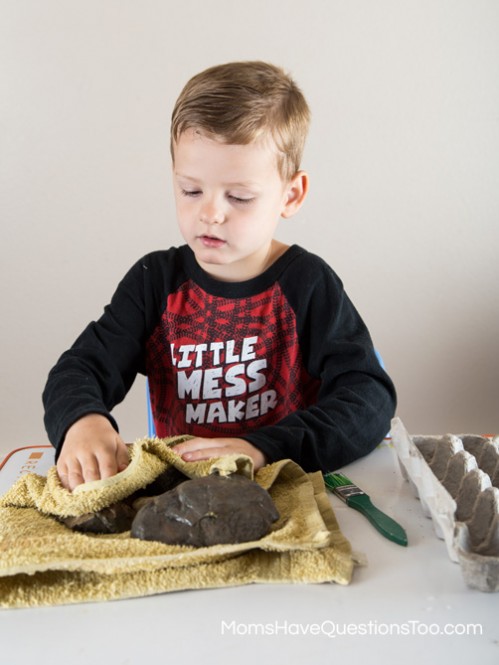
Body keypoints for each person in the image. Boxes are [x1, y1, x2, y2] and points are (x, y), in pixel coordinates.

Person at [43, 61, 396, 491]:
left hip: (286, 489)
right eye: (191, 190)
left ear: (291, 194)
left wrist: (263, 447)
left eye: (239, 196)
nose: (210, 213)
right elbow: (78, 370)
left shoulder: (307, 284)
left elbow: (369, 399)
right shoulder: (155, 282)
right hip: (185, 495)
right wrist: (83, 420)